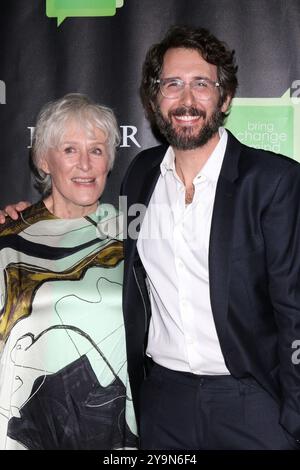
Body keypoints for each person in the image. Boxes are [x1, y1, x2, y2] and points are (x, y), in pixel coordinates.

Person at [3, 26, 300, 451]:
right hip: (163, 406)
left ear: (226, 97)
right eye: (172, 84)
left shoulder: (273, 181)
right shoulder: (140, 177)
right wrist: (21, 219)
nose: (186, 99)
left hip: (251, 403)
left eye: (202, 84)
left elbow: (295, 309)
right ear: (154, 100)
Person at [0, 93, 138, 450]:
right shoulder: (8, 239)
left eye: (96, 150)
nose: (86, 165)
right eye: (69, 150)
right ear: (44, 160)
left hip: (117, 427)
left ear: (109, 160)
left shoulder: (134, 235)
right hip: (31, 427)